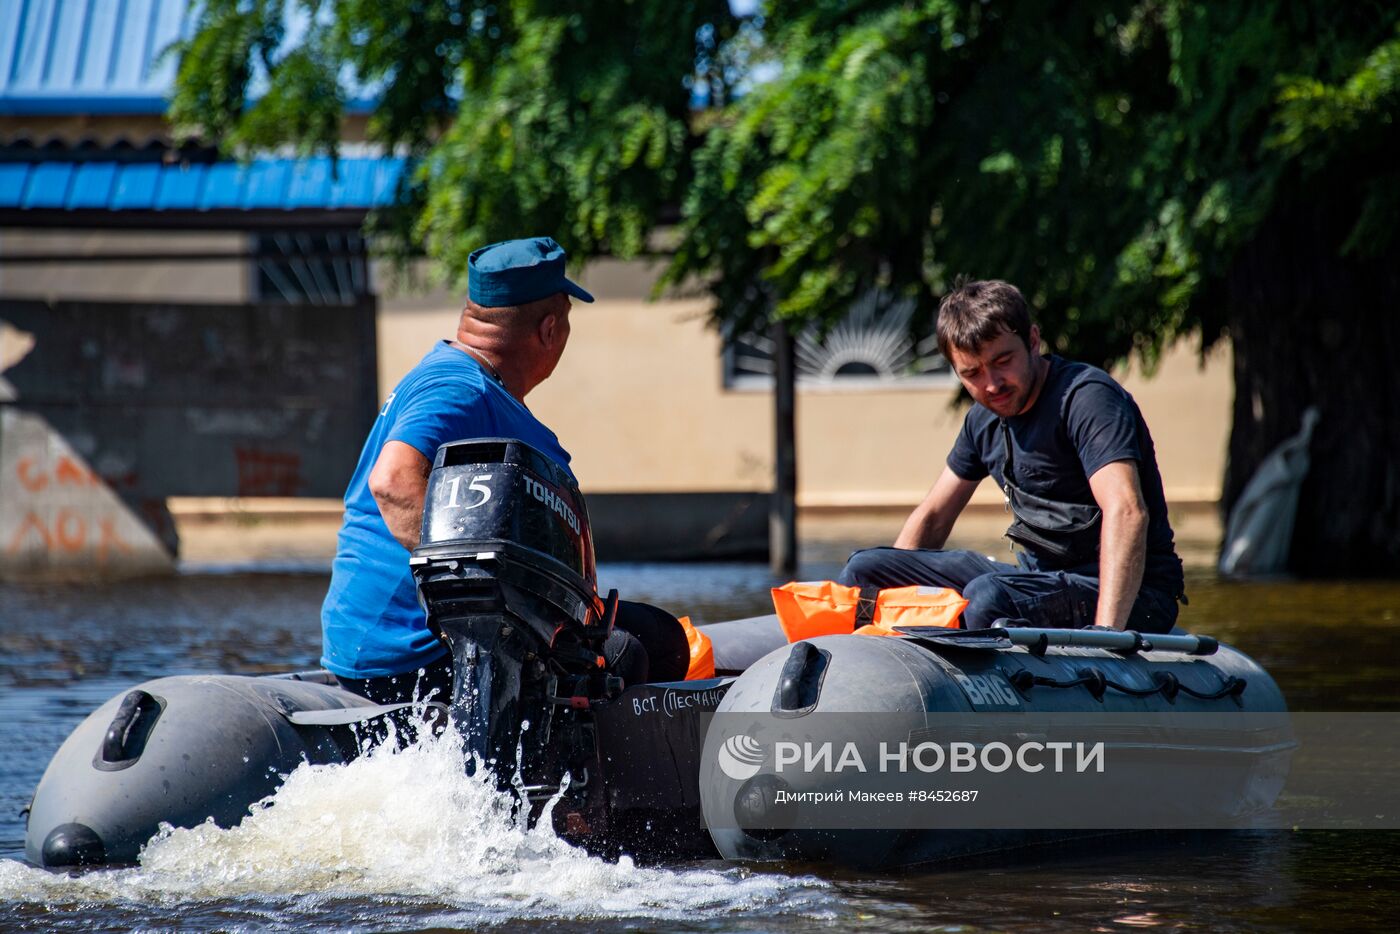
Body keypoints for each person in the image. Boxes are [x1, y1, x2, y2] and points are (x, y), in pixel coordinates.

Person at [320, 236, 688, 703]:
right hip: (410, 656)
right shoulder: (458, 388)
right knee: (638, 650)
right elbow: (393, 483)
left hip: (375, 646)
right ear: (550, 329)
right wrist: (487, 589)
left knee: (649, 633)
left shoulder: (459, 379)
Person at [837, 279, 1185, 634]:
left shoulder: (1086, 398)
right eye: (971, 373)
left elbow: (1126, 509)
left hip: (1134, 595)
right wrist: (895, 592)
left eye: (1002, 361)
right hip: (1040, 582)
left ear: (1033, 341)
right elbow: (933, 515)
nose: (991, 384)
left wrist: (1107, 638)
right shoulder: (983, 419)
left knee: (986, 597)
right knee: (865, 569)